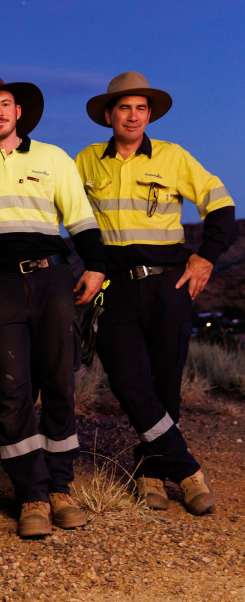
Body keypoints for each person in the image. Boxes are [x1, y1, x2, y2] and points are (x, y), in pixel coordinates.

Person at [75, 71, 235, 516]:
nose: (132, 116)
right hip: (115, 288)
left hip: (168, 284)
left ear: (149, 115)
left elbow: (220, 204)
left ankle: (149, 473)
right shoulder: (86, 161)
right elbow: (66, 215)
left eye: (140, 108)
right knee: (129, 382)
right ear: (109, 115)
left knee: (165, 383)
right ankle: (187, 470)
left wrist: (206, 257)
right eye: (124, 107)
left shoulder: (173, 157)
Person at [0, 75, 107, 538]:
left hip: (51, 279)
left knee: (59, 382)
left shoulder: (52, 158)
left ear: (19, 112)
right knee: (10, 390)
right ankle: (32, 496)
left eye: (6, 105)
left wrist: (96, 267)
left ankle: (61, 488)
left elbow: (80, 219)